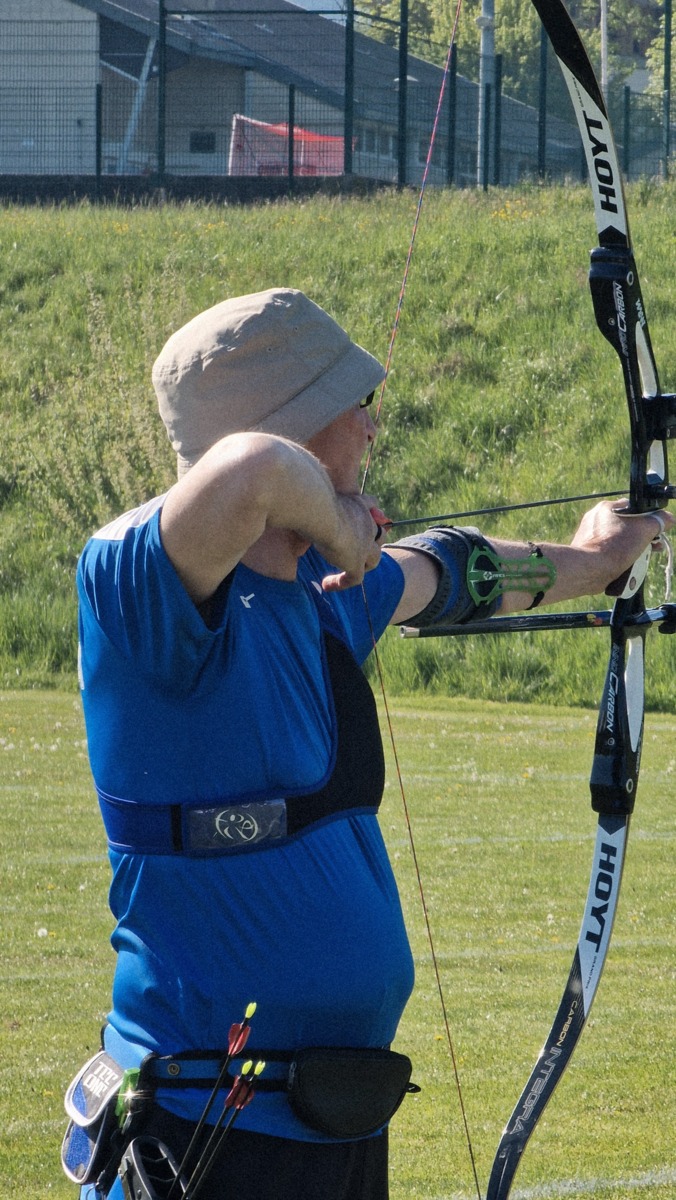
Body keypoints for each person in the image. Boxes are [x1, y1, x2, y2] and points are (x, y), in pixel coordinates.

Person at [69, 288, 672, 1200]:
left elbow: (456, 574)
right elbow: (251, 472)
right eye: (355, 403)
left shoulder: (325, 592)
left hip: (336, 1118)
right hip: (202, 1134)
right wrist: (339, 522)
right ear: (294, 423)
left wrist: (592, 560)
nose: (371, 425)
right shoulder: (133, 588)